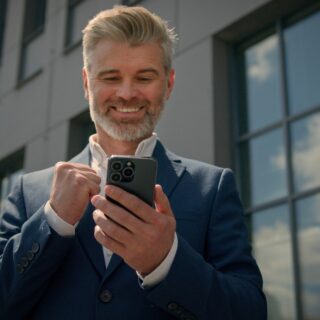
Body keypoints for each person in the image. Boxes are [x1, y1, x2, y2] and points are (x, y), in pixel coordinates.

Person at [0, 6, 267, 320]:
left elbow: (250, 311)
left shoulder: (213, 187)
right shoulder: (28, 191)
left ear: (168, 83)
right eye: (111, 77)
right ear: (87, 83)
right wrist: (53, 221)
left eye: (144, 77)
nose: (127, 94)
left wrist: (165, 261)